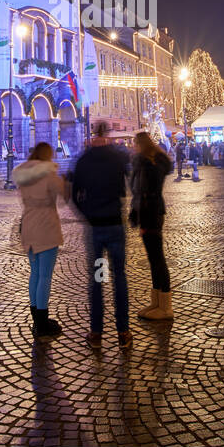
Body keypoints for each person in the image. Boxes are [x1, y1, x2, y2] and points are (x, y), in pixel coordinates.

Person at [67, 122, 132, 350]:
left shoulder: (84, 160)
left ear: (93, 134)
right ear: (108, 134)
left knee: (98, 278)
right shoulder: (117, 157)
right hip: (115, 223)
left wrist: (88, 214)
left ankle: (96, 333)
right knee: (119, 277)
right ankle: (123, 331)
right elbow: (129, 181)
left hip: (96, 228)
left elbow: (74, 195)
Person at [13, 142, 66, 341]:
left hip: (28, 225)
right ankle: (43, 322)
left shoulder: (23, 175)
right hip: (46, 228)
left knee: (34, 274)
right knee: (45, 276)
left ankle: (37, 317)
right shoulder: (48, 175)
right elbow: (64, 194)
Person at [130, 131, 175, 320]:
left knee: (157, 259)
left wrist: (139, 214)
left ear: (142, 145)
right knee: (154, 259)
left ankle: (165, 307)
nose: (134, 147)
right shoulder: (149, 163)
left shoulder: (150, 164)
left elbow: (144, 191)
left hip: (151, 212)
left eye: (135, 144)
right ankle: (157, 302)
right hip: (150, 211)